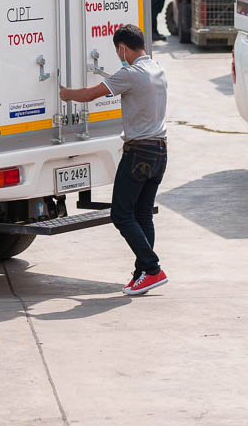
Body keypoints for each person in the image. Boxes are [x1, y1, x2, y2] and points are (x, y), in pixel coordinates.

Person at [59, 26, 170, 296]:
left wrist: (66, 94)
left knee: (121, 215)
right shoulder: (157, 69)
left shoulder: (130, 74)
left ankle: (152, 269)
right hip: (160, 151)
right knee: (143, 214)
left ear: (122, 48)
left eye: (117, 51)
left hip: (139, 152)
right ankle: (142, 273)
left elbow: (91, 94)